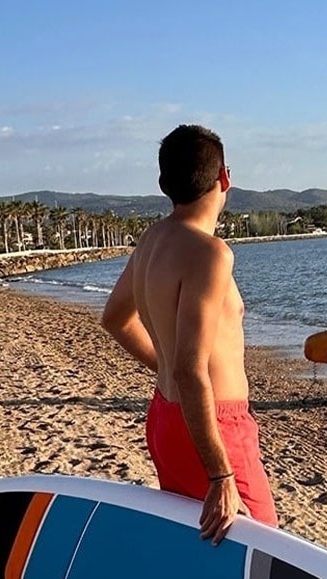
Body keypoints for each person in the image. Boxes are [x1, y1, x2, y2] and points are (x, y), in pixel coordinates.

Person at [101, 124, 277, 544]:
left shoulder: (152, 241)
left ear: (164, 184)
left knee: (204, 549)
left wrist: (165, 366)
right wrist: (221, 473)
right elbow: (189, 369)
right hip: (213, 425)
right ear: (225, 178)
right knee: (267, 547)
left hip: (165, 417)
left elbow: (116, 319)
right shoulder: (210, 254)